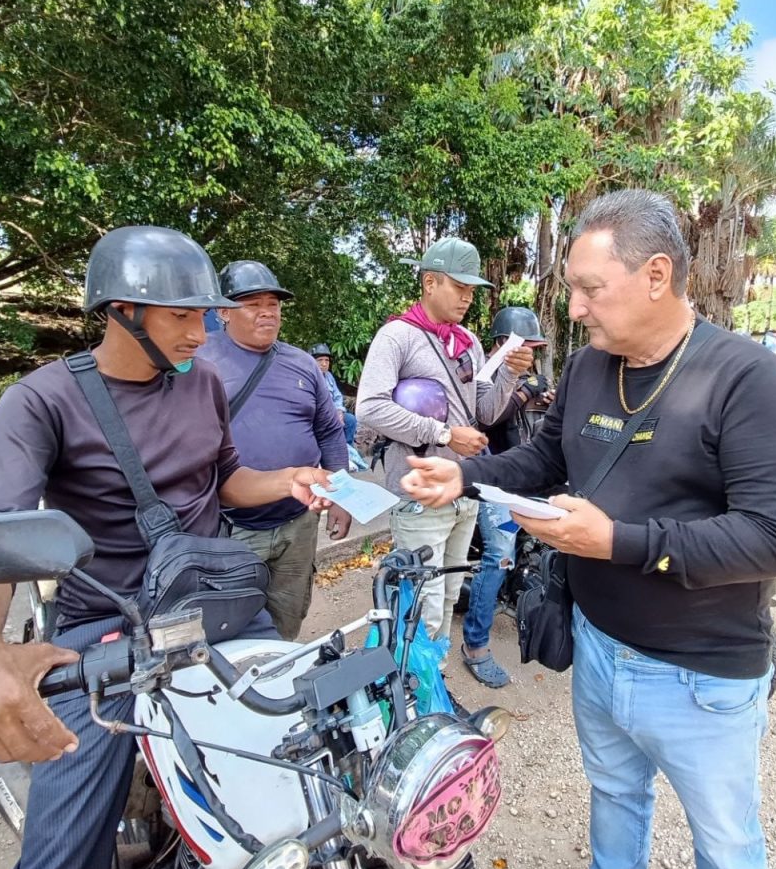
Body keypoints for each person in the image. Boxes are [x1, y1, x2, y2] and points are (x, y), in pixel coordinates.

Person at [399, 190, 776, 869]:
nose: (576, 309)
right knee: (616, 798)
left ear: (656, 275)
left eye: (590, 289)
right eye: (573, 289)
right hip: (596, 644)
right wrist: (463, 475)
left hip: (702, 672)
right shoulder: (590, 366)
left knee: (726, 845)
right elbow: (544, 459)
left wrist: (618, 541)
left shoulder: (747, 378)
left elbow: (774, 539)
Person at [0, 226, 332, 869]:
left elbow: (226, 477)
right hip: (106, 627)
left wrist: (287, 480)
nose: (200, 334)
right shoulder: (42, 399)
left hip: (214, 603)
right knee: (59, 866)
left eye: (204, 316)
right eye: (181, 317)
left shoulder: (203, 383)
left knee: (306, 773)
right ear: (121, 311)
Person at [355, 237, 532, 645]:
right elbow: (370, 408)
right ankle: (410, 682)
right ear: (430, 282)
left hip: (464, 490)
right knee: (421, 608)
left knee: (449, 597)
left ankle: (432, 675)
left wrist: (510, 373)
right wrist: (444, 433)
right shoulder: (397, 337)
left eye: (472, 289)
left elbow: (485, 410)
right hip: (420, 493)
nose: (468, 297)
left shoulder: (467, 342)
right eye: (460, 286)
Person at [197, 260, 352, 640]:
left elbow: (330, 431)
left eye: (274, 304)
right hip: (229, 527)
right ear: (223, 312)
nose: (267, 312)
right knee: (226, 626)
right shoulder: (198, 361)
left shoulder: (302, 364)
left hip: (299, 522)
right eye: (253, 304)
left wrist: (343, 497)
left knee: (287, 618)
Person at [462, 306, 554, 688]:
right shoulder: (482, 375)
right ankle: (476, 645)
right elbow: (488, 417)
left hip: (528, 479)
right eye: (524, 345)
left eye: (534, 347)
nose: (530, 353)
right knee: (499, 556)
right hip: (494, 480)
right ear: (503, 342)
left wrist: (547, 401)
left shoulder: (529, 378)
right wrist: (523, 391)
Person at [309, 342, 358, 446]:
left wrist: (339, 411)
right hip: (317, 416)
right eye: (320, 360)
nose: (324, 364)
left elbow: (337, 396)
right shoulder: (308, 378)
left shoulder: (329, 376)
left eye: (326, 360)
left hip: (333, 413)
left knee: (350, 420)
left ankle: (348, 449)